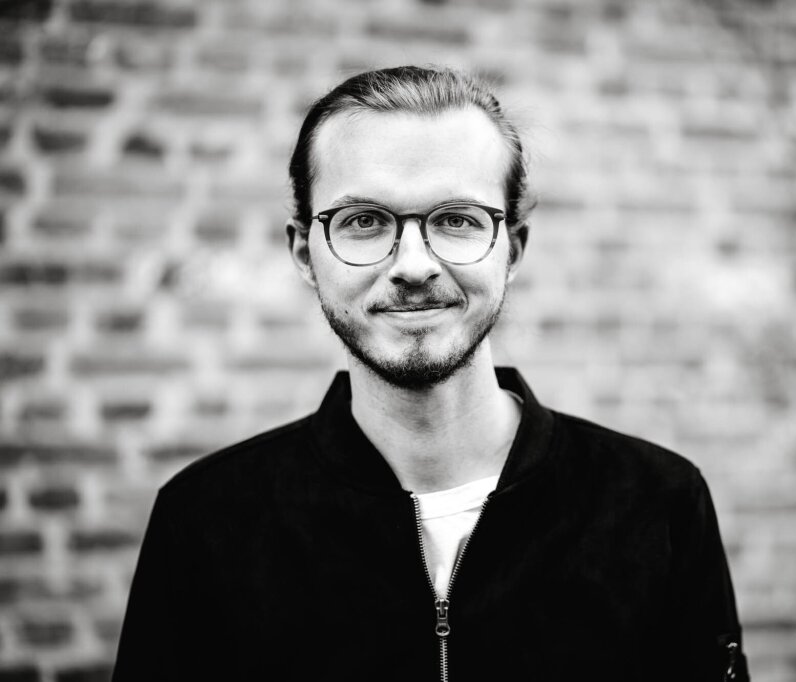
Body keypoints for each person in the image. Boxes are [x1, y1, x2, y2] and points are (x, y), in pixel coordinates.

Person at [112, 65, 749, 681]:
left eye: (456, 220)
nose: (413, 265)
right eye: (363, 221)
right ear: (306, 254)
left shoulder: (658, 505)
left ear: (513, 249)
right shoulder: (204, 524)